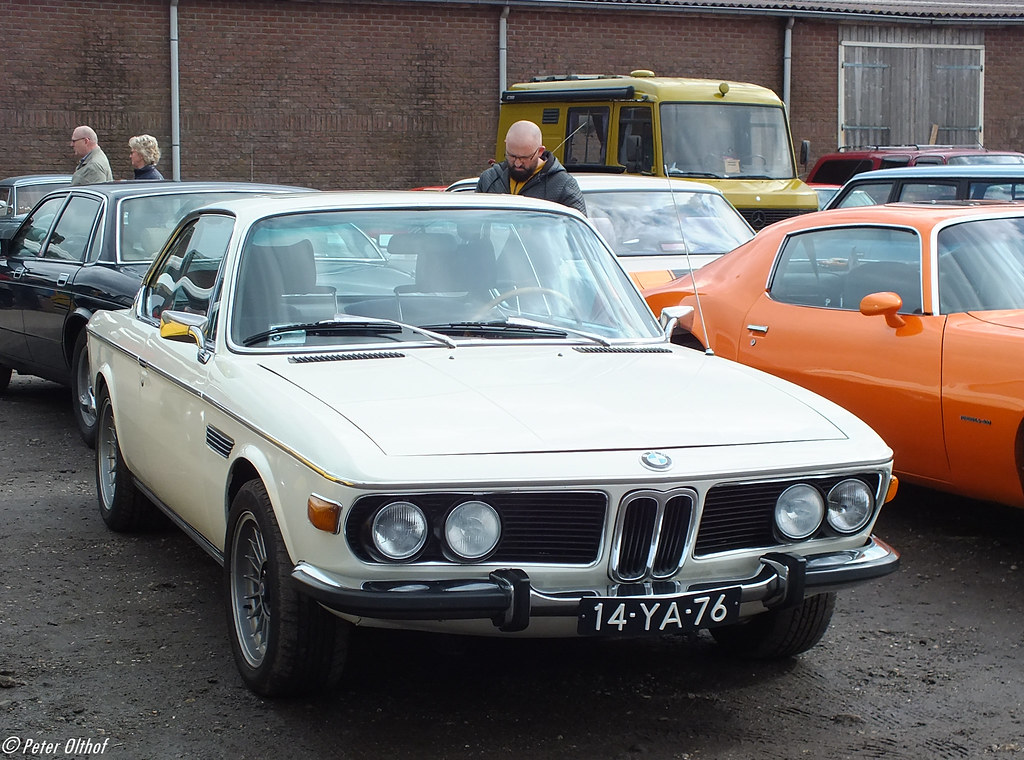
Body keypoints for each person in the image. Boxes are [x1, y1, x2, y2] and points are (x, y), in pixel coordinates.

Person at [476, 120, 586, 214]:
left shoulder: (563, 185)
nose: (517, 163)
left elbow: (578, 232)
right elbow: (473, 225)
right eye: (512, 156)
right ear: (506, 145)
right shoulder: (489, 180)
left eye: (524, 158)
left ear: (540, 151)